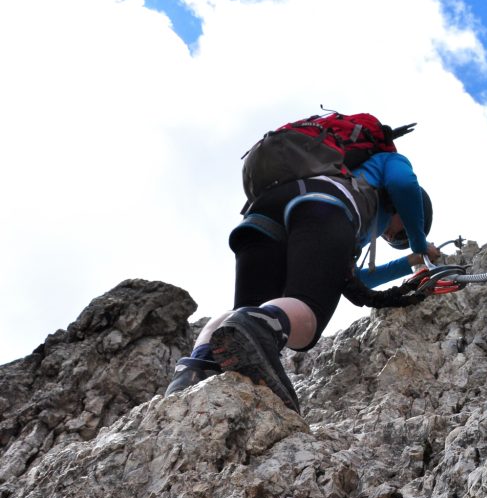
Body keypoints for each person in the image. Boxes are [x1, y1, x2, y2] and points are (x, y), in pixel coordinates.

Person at [165, 150, 442, 412]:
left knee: (244, 313)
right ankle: (259, 327)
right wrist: (418, 242)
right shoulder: (388, 162)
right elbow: (404, 184)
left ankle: (193, 371)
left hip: (263, 212)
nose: (392, 238)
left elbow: (354, 278)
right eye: (401, 234)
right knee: (307, 314)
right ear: (409, 211)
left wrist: (410, 261)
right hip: (322, 207)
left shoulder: (337, 172)